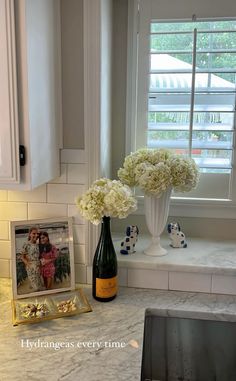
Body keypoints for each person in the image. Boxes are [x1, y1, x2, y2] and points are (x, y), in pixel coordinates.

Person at [20, 227, 43, 292]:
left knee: (39, 284)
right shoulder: (26, 244)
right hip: (31, 268)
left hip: (38, 267)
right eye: (34, 233)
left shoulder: (37, 244)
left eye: (37, 234)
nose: (36, 235)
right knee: (35, 287)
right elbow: (22, 257)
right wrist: (28, 264)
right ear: (29, 234)